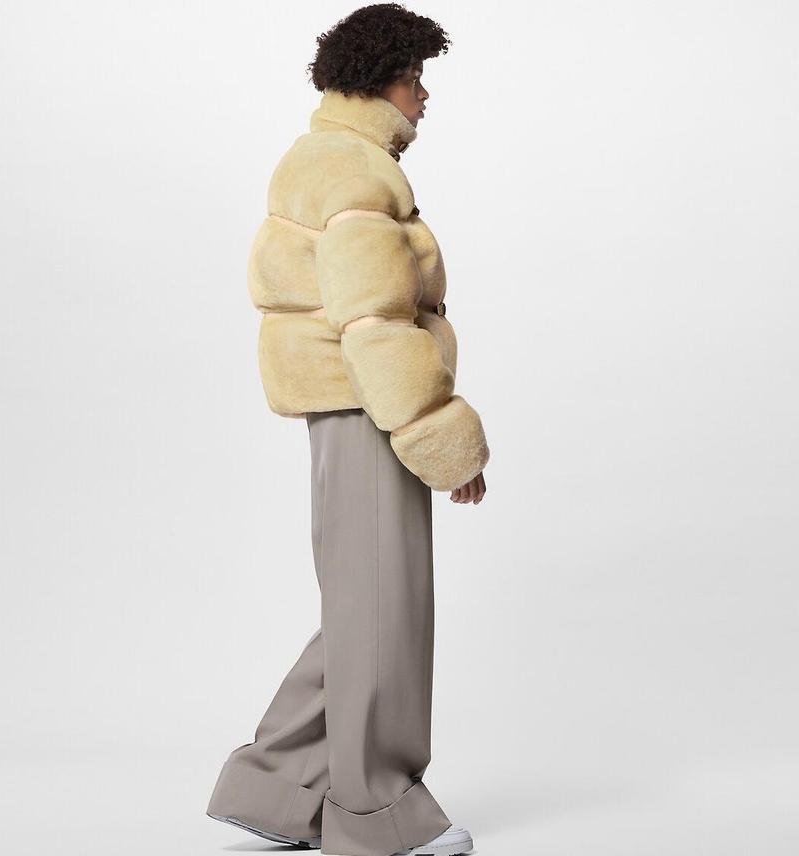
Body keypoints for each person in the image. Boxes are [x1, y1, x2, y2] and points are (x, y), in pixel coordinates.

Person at [206, 5, 489, 855]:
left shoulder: (321, 159)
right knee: (384, 613)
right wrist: (442, 439)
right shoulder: (358, 173)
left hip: (349, 406)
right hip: (371, 404)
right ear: (377, 81)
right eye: (414, 80)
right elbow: (374, 320)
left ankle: (276, 789)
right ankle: (377, 814)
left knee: (364, 607)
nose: (424, 96)